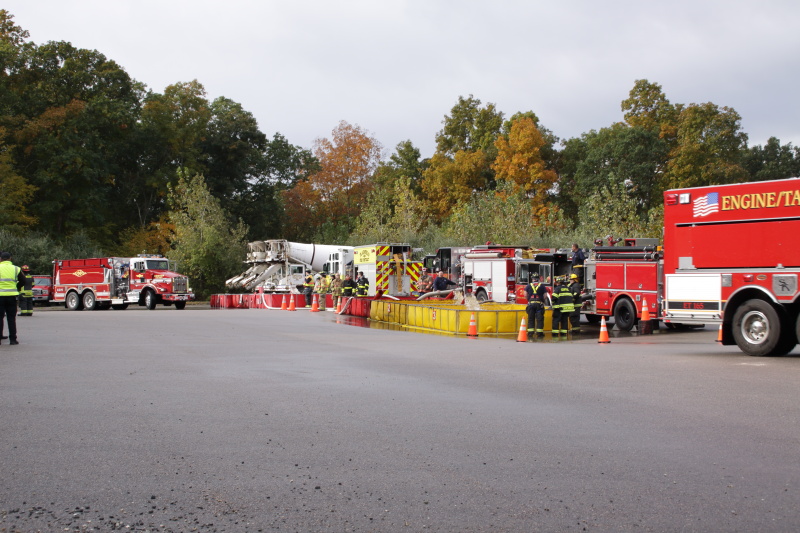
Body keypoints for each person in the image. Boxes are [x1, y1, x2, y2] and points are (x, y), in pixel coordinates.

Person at [0, 251, 25, 345]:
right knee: (11, 318)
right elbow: (23, 281)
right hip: (12, 296)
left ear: (1, 259)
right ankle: (13, 339)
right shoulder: (16, 269)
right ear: (10, 258)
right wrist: (16, 288)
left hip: (0, 297)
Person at [525, 273, 549, 337]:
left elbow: (525, 294)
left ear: (532, 279)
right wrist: (542, 301)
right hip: (539, 304)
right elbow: (545, 295)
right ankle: (539, 333)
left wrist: (529, 300)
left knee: (531, 318)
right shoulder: (542, 286)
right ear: (538, 279)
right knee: (539, 319)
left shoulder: (528, 286)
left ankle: (530, 333)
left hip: (531, 304)